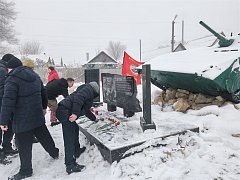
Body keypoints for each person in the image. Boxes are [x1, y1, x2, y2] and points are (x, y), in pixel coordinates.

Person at [0, 57, 59, 180]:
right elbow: (44, 92)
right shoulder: (34, 75)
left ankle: (26, 170)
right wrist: (43, 107)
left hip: (22, 118)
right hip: (36, 114)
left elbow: (7, 101)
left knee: (23, 145)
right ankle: (54, 152)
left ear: (10, 68)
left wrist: (4, 121)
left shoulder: (12, 79)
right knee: (44, 135)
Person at [56, 82, 100, 174]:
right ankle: (70, 165)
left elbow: (86, 110)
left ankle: (76, 150)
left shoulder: (85, 90)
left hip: (65, 110)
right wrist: (75, 113)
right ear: (95, 91)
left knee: (75, 130)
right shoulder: (88, 90)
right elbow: (78, 98)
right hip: (65, 111)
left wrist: (94, 119)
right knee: (69, 139)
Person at [0, 54, 18, 165]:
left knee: (9, 124)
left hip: (3, 103)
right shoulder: (2, 70)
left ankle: (7, 147)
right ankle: (4, 150)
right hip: (2, 102)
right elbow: (4, 88)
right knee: (5, 125)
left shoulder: (3, 69)